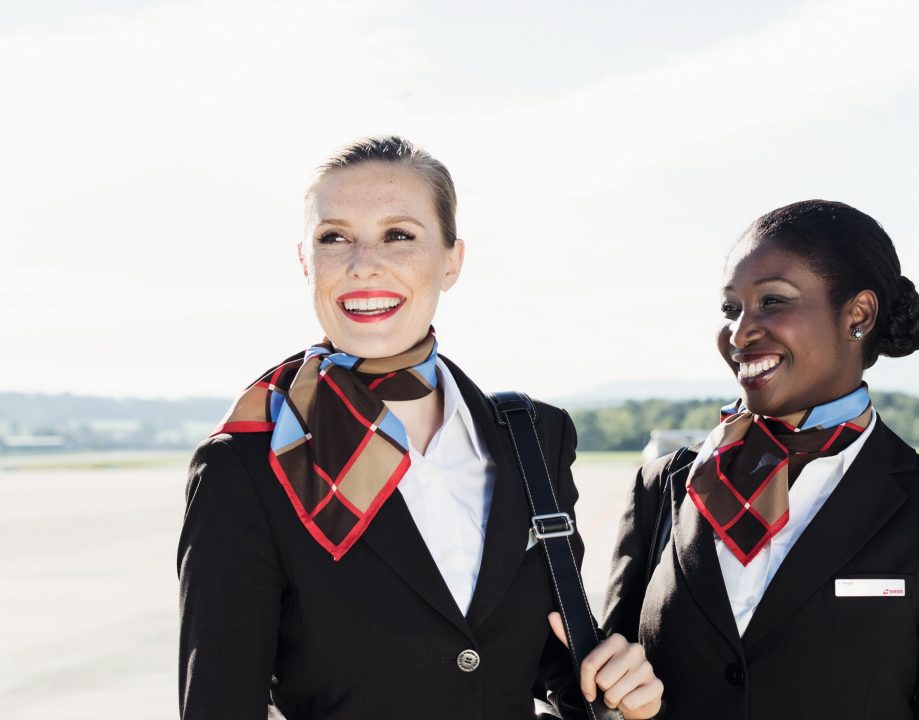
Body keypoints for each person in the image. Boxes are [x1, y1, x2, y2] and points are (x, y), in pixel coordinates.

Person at [178, 136, 662, 719]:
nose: (363, 263)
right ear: (307, 262)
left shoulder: (533, 437)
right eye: (334, 237)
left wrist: (613, 686)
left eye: (399, 235)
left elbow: (533, 655)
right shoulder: (246, 464)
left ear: (452, 260)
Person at [602, 200, 919, 719]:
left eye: (773, 301)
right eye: (732, 309)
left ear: (857, 315)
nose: (741, 331)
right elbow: (604, 686)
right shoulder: (665, 487)